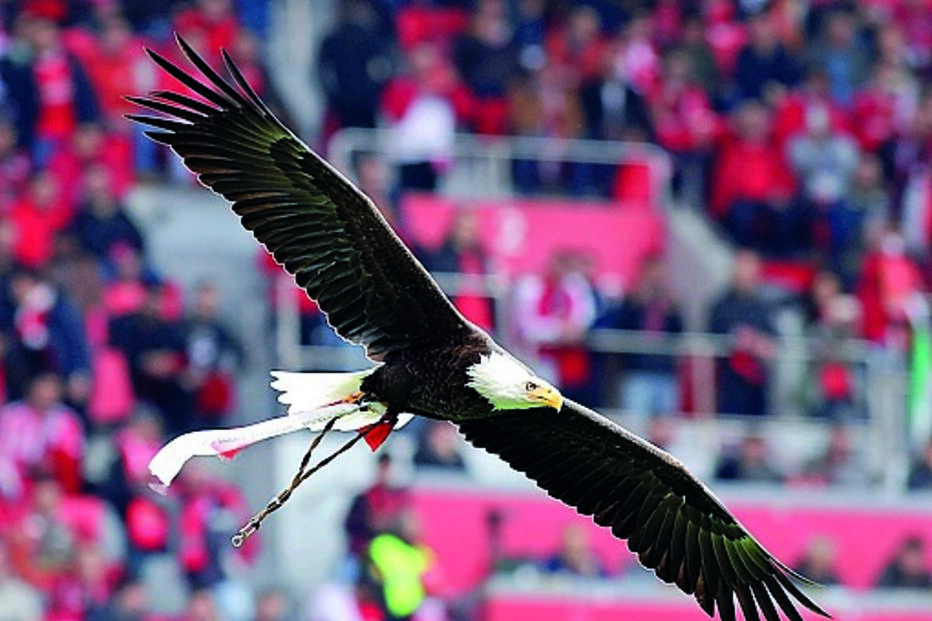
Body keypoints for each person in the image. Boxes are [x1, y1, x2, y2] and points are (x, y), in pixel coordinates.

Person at [594, 256, 683, 416]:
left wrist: (673, 310)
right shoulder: (631, 302)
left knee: (666, 421)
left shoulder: (672, 305)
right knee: (635, 419)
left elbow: (679, 333)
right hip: (637, 371)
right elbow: (620, 326)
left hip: (665, 371)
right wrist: (637, 302)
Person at [513, 250, 599, 403]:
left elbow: (584, 317)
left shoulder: (574, 286)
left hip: (568, 361)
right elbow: (528, 328)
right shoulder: (532, 287)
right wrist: (558, 331)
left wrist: (569, 330)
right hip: (537, 357)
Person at [707, 250, 777, 416]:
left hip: (757, 383)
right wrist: (735, 340)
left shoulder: (763, 306)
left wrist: (761, 343)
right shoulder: (721, 306)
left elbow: (773, 338)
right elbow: (711, 337)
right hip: (729, 382)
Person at [714, 434, 784, 483]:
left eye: (756, 448)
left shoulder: (769, 472)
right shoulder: (728, 469)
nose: (753, 451)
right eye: (750, 447)